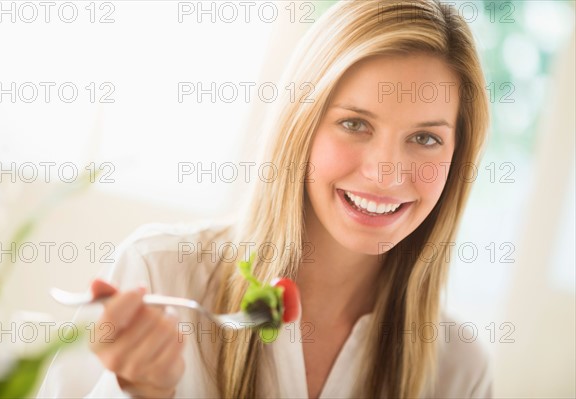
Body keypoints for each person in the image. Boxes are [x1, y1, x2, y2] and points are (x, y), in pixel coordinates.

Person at [38, 0, 492, 397]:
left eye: (425, 138)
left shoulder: (459, 368)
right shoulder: (160, 276)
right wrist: (138, 393)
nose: (386, 173)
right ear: (300, 126)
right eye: (355, 124)